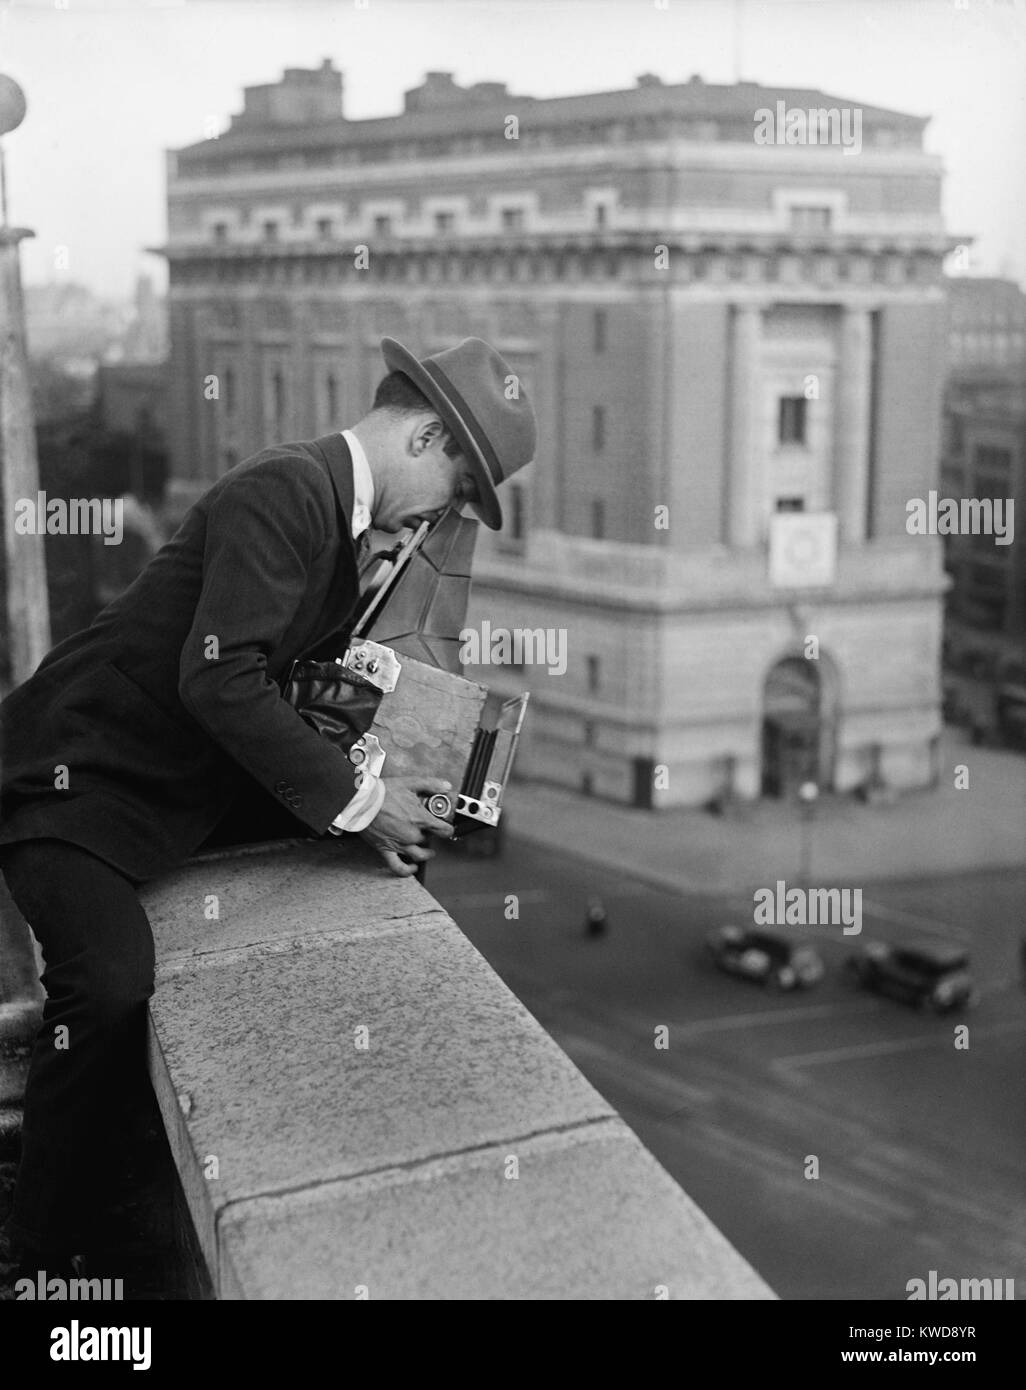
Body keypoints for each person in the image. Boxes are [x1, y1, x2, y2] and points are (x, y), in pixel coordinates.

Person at [0, 335, 536, 1273]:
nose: (444, 518)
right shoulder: (288, 491)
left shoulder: (333, 523)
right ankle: (40, 1253)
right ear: (423, 436)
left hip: (166, 786)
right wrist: (363, 805)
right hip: (73, 786)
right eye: (457, 491)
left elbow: (262, 698)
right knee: (111, 986)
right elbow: (220, 686)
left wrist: (391, 781)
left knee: (374, 830)